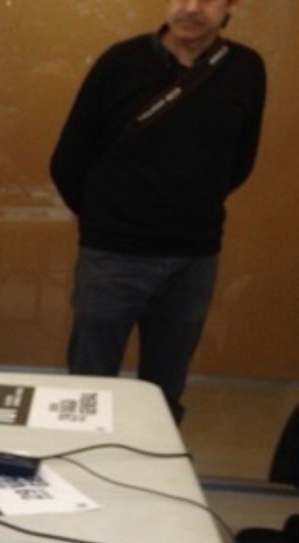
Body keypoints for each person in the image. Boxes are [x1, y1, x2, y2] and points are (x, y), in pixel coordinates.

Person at [50, 0, 266, 422]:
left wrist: (190, 208)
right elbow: (68, 160)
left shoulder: (245, 68)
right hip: (112, 256)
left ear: (232, 5)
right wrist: (107, 222)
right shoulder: (121, 62)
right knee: (89, 391)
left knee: (165, 395)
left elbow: (239, 162)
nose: (191, 8)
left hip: (194, 257)